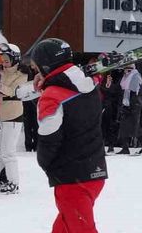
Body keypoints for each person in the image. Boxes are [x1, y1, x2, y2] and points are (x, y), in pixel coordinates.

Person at [31, 38, 107, 233]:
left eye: (37, 69)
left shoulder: (52, 95)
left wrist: (45, 163)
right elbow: (73, 85)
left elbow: (49, 139)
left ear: (46, 66)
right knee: (64, 226)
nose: (36, 73)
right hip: (94, 171)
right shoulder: (89, 84)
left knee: (80, 228)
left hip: (71, 178)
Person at [0, 43, 28, 194]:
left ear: (15, 59)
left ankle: (14, 183)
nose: (4, 63)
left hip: (13, 116)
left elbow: (14, 91)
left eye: (7, 60)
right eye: (2, 60)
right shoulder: (1, 72)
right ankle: (0, 179)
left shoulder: (22, 75)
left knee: (8, 152)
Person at [117, 64, 142, 154]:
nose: (125, 72)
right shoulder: (125, 78)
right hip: (126, 105)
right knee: (124, 126)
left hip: (133, 105)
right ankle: (125, 148)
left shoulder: (135, 76)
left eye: (127, 70)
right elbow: (122, 88)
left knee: (135, 127)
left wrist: (133, 106)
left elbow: (135, 91)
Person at [101, 70, 123, 153]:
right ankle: (110, 145)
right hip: (111, 106)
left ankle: (107, 145)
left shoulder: (104, 83)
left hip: (106, 106)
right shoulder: (114, 85)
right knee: (109, 127)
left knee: (104, 127)